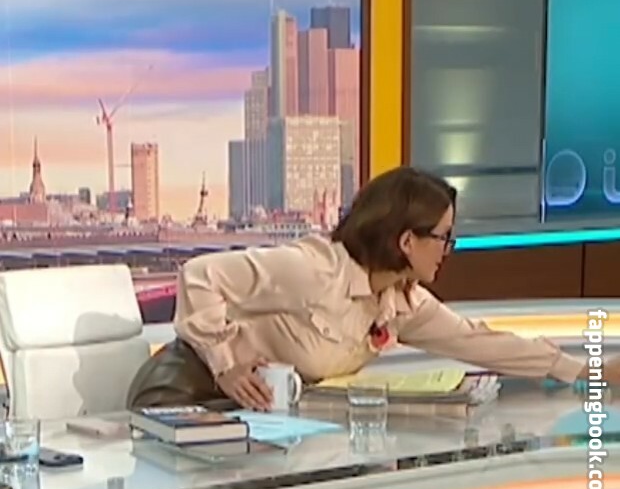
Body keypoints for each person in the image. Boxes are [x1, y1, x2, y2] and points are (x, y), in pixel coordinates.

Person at [127, 166, 620, 410]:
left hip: (249, 411)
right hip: (182, 392)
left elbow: (478, 341)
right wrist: (226, 364)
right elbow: (201, 275)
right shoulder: (316, 269)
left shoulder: (399, 303)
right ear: (407, 241)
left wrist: (588, 370)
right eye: (444, 237)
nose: (449, 249)